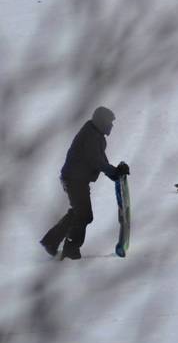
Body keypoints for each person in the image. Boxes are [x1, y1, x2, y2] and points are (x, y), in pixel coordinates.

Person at [40, 106, 128, 260]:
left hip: (76, 179)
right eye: (110, 122)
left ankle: (51, 241)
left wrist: (115, 172)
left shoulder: (96, 134)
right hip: (74, 180)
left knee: (78, 213)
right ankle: (70, 249)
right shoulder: (91, 135)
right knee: (84, 215)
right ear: (102, 121)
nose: (111, 126)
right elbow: (96, 161)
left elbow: (100, 159)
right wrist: (114, 172)